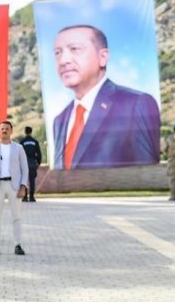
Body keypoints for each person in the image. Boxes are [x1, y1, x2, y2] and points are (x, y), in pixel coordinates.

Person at [51, 24, 160, 169]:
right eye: (58, 52)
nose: (63, 60)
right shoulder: (60, 120)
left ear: (102, 57)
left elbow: (147, 175)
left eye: (74, 49)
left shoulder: (135, 104)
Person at [0, 120, 30, 255]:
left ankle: (18, 244)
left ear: (11, 131)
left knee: (16, 216)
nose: (4, 130)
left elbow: (25, 169)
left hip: (14, 186)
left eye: (7, 128)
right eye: (2, 128)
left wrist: (23, 186)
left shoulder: (18, 148)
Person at [19, 125, 42, 201]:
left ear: (25, 132)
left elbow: (19, 153)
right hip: (32, 162)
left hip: (24, 162)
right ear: (31, 132)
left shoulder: (22, 142)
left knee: (24, 180)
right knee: (32, 180)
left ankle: (25, 197)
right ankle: (32, 197)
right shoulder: (35, 142)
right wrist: (38, 162)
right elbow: (39, 153)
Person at [167, 133, 175, 201]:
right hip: (172, 160)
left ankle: (173, 195)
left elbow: (166, 149)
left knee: (172, 179)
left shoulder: (169, 138)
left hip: (172, 160)